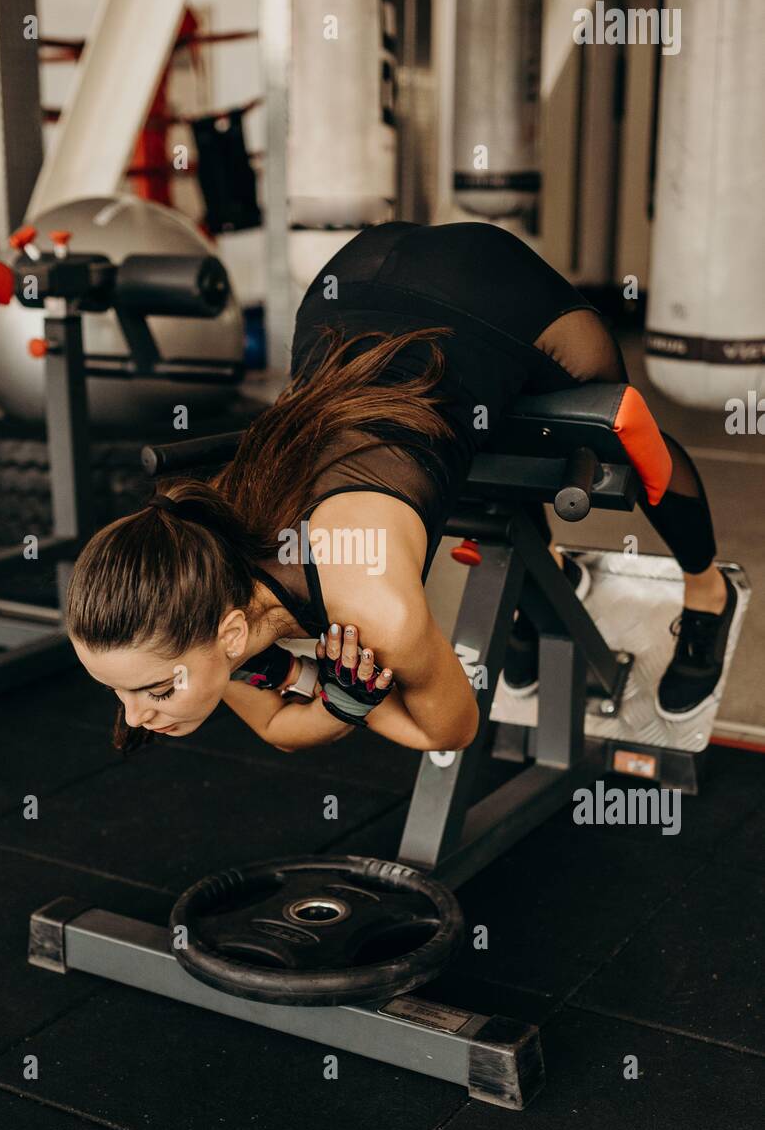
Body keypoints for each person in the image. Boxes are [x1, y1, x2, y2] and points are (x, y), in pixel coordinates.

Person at [66, 221, 740, 755]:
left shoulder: (368, 611)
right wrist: (341, 697)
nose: (138, 715)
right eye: (122, 694)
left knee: (611, 435)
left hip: (477, 289)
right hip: (352, 277)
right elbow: (277, 727)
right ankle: (548, 581)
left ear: (234, 631)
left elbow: (450, 730)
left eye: (153, 689)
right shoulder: (193, 596)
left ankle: (708, 589)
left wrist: (336, 693)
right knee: (453, 452)